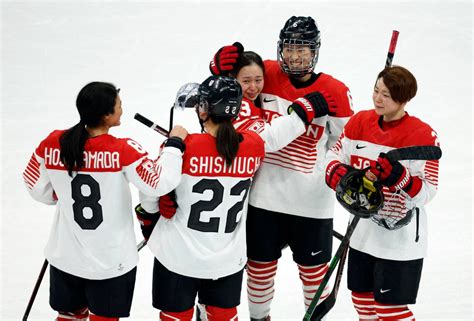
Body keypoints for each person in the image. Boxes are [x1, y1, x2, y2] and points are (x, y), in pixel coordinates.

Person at [209, 16, 354, 320]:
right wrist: (218, 67)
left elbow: (346, 146)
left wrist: (344, 173)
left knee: (314, 275)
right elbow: (223, 93)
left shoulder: (336, 91)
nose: (296, 56)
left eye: (303, 49)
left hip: (311, 203)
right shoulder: (264, 73)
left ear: (315, 51)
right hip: (263, 197)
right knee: (259, 270)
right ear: (280, 49)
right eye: (290, 48)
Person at [22, 81, 187, 321]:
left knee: (68, 316)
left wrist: (61, 194)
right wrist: (174, 145)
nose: (122, 108)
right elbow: (158, 183)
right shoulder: (122, 150)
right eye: (119, 105)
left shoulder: (54, 142)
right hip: (111, 261)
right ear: (107, 115)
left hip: (65, 256)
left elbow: (34, 186)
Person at [138, 75, 266, 321]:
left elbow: (150, 193)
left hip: (178, 256)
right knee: (223, 315)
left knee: (175, 316)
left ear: (204, 109)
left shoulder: (184, 146)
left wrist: (174, 143)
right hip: (227, 260)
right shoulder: (254, 145)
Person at [324, 66, 440, 320]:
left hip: (400, 241)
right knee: (362, 303)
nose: (377, 99)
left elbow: (428, 192)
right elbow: (333, 154)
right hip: (362, 235)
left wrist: (401, 178)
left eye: (386, 95)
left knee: (389, 310)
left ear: (404, 98)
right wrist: (337, 172)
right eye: (376, 91)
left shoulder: (422, 135)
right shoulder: (359, 122)